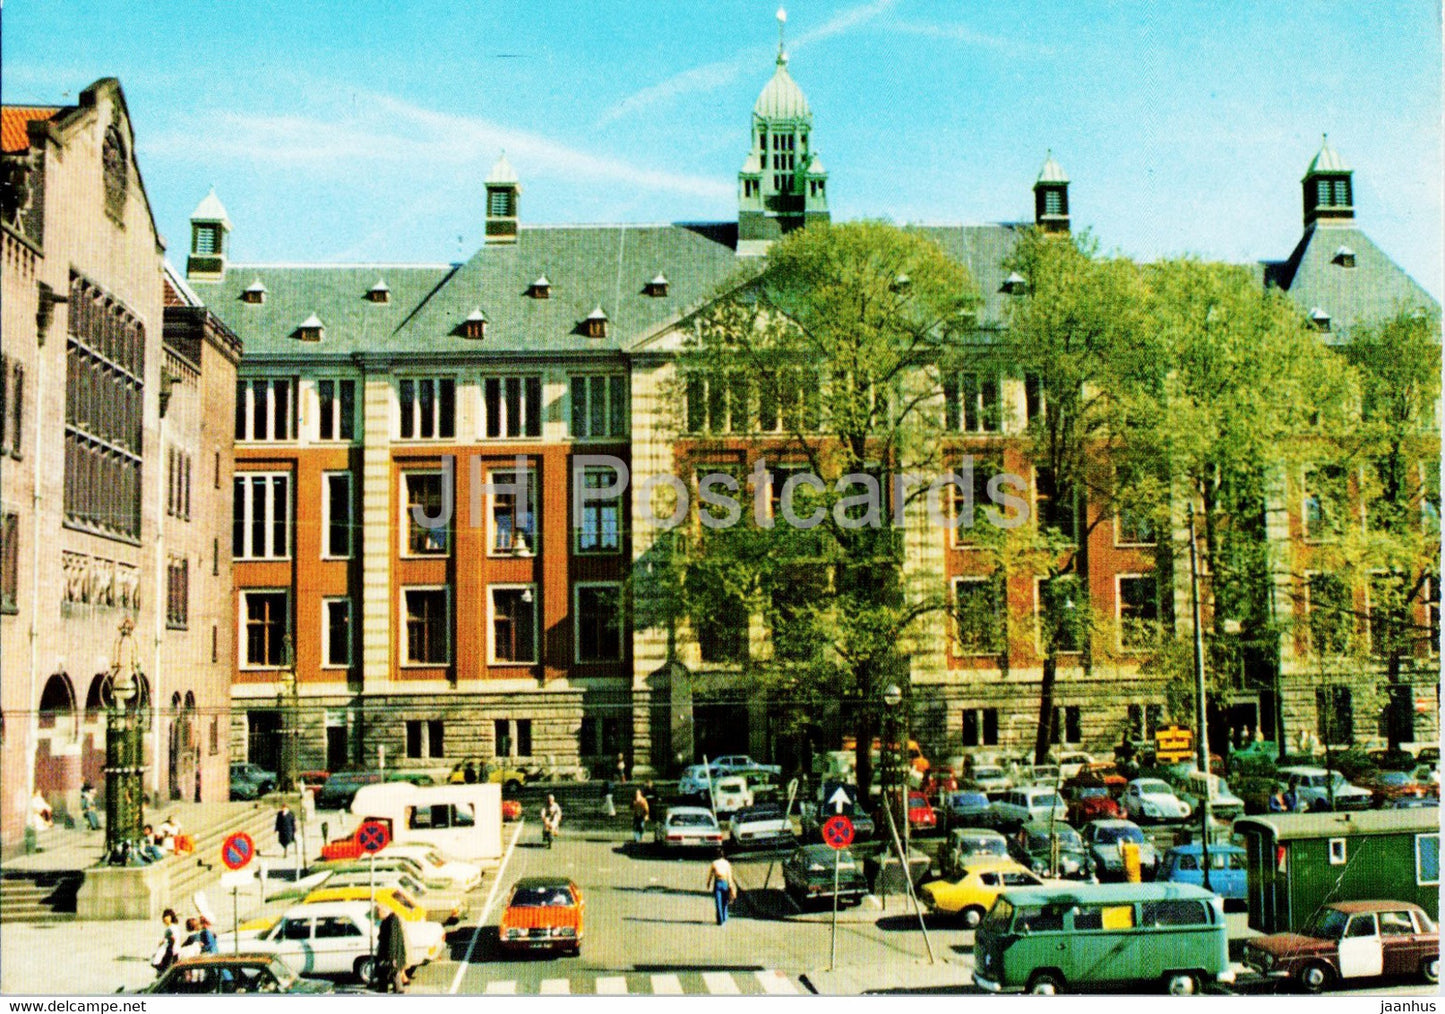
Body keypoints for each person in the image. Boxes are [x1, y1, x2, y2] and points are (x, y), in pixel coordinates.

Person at [373, 910, 408, 993]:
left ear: (383, 912)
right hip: (388, 952)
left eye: (378, 914)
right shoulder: (390, 920)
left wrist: (392, 957)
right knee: (387, 970)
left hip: (389, 952)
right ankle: (387, 988)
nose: (378, 916)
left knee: (392, 971)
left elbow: (392, 940)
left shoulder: (391, 921)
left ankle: (398, 989)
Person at [706, 848, 736, 926]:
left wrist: (708, 883)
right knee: (725, 902)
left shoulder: (714, 863)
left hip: (718, 883)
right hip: (725, 882)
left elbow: (710, 875)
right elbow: (729, 876)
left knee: (718, 902)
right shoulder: (727, 863)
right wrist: (731, 886)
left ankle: (720, 920)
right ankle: (724, 917)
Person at [150, 909, 180, 976]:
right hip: (174, 952)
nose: (164, 918)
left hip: (170, 953)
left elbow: (173, 939)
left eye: (166, 916)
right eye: (163, 917)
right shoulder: (174, 927)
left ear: (170, 917)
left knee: (166, 972)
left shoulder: (170, 928)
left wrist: (165, 944)